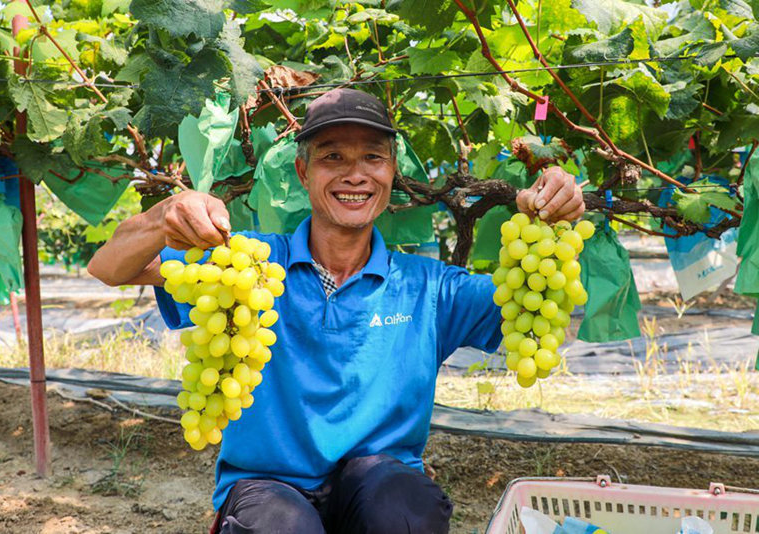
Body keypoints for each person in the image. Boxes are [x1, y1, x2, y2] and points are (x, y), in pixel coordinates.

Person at [88, 88, 584, 534]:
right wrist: (163, 215)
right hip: (268, 488)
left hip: (378, 484)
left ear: (392, 171)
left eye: (373, 157)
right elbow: (109, 266)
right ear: (303, 172)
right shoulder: (248, 265)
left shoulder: (428, 286)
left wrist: (552, 212)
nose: (355, 174)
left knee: (403, 510)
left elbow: (531, 304)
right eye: (332, 157)